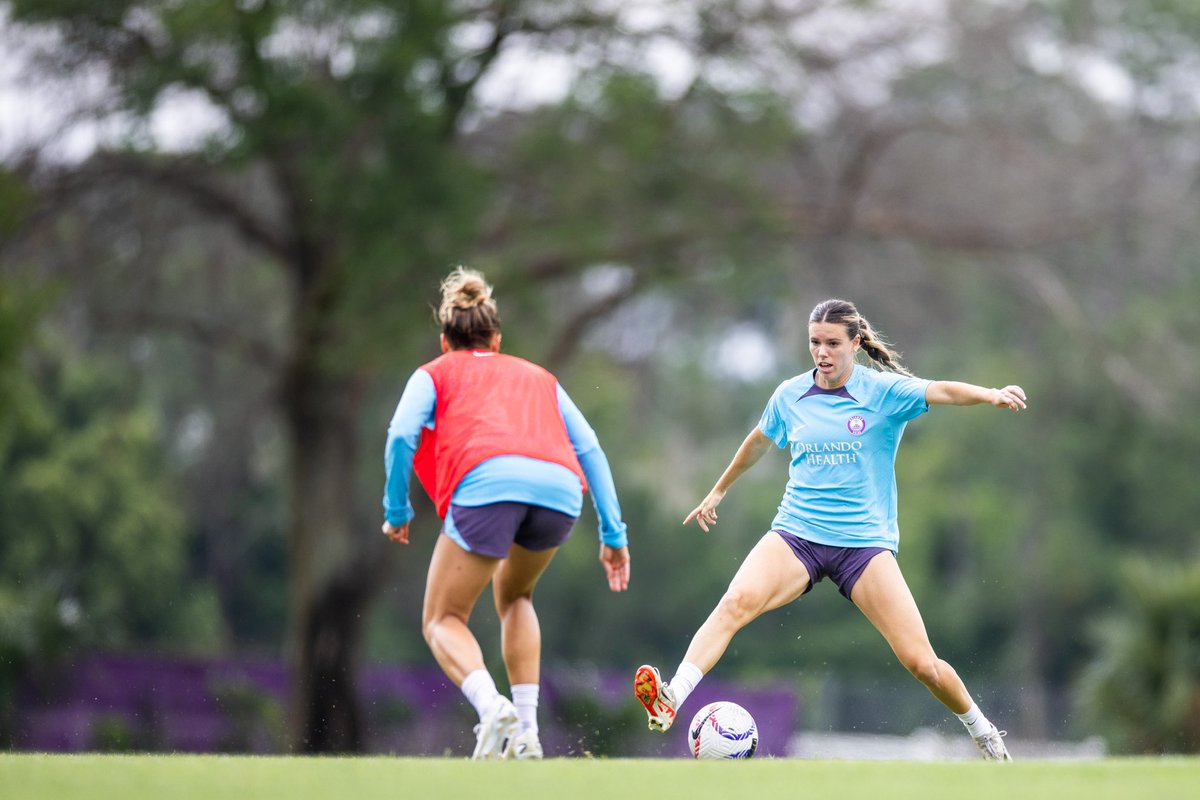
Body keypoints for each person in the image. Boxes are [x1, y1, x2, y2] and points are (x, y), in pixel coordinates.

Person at [634, 298, 1025, 762]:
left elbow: (941, 391)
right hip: (797, 533)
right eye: (815, 343)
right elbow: (759, 440)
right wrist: (718, 491)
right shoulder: (790, 395)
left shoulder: (883, 392)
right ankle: (671, 699)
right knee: (735, 603)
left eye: (832, 343)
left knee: (922, 663)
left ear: (855, 344)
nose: (822, 352)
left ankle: (982, 732)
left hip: (863, 546)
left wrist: (991, 394)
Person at [383, 267, 631, 760]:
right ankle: (528, 734)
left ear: (444, 339)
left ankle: (491, 706)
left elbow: (400, 434)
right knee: (516, 596)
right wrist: (613, 532)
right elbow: (590, 449)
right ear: (496, 337)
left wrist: (397, 507)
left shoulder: (434, 372)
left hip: (488, 483)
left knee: (443, 617)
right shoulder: (539, 376)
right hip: (561, 490)